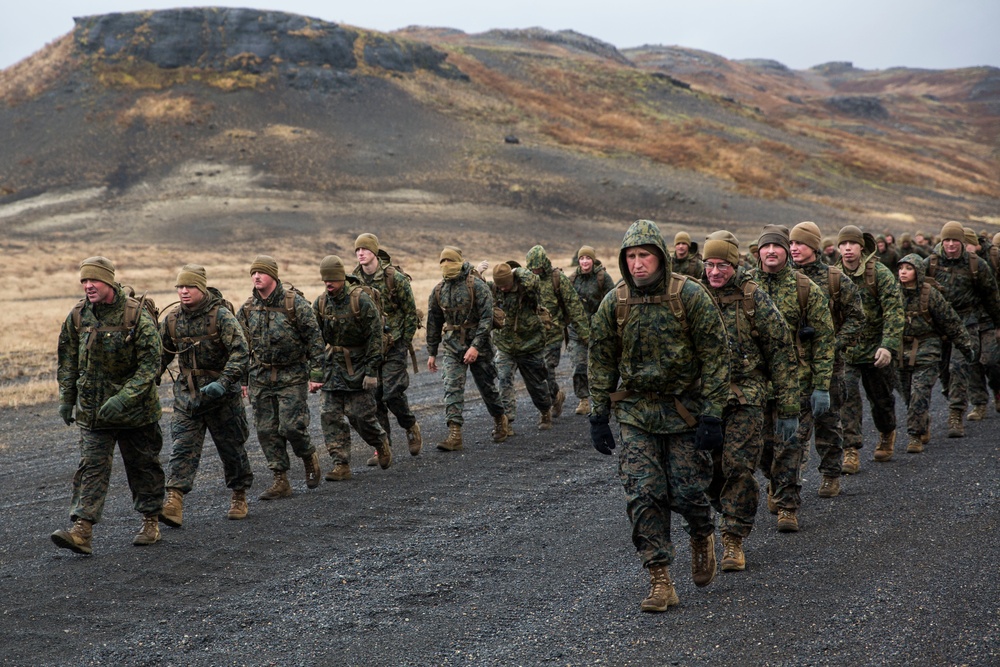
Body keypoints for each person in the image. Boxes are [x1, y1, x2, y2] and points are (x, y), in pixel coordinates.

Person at [589, 219, 729, 613]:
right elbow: (600, 360)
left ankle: (702, 534)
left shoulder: (690, 296)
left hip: (684, 412)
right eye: (630, 257)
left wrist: (713, 416)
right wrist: (598, 414)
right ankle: (660, 579)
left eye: (644, 255)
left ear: (661, 258)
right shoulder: (613, 303)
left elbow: (716, 356)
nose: (637, 264)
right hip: (636, 413)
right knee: (643, 494)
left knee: (687, 493)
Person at [52, 257, 165, 554]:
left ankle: (151, 521)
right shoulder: (78, 316)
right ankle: (82, 530)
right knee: (91, 468)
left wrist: (124, 398)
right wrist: (67, 398)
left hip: (136, 413)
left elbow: (151, 366)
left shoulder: (135, 316)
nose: (88, 286)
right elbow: (67, 360)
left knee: (143, 467)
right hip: (93, 413)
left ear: (109, 282)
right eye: (84, 281)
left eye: (94, 281)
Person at [701, 231, 798, 571]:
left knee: (738, 467)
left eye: (722, 265)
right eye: (710, 265)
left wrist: (788, 409)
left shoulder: (753, 297)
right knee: (707, 471)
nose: (715, 272)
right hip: (704, 401)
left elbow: (782, 353)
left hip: (747, 396)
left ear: (735, 263)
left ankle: (733, 539)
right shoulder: (693, 295)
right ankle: (725, 512)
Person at [751, 225, 834, 532]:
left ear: (786, 251)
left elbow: (825, 338)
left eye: (777, 247)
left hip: (797, 379)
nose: (771, 252)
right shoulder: (745, 285)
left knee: (791, 444)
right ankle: (776, 482)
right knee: (761, 447)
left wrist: (821, 385)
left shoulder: (804, 287)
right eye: (766, 247)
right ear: (758, 251)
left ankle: (788, 506)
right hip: (756, 382)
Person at [159, 264, 252, 527]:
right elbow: (160, 355)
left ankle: (239, 495)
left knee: (232, 449)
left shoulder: (221, 316)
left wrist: (224, 382)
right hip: (188, 397)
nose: (184, 291)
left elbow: (241, 352)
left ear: (201, 288)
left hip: (223, 398)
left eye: (189, 286)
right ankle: (173, 501)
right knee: (182, 449)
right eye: (180, 287)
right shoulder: (172, 320)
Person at [238, 255, 326, 500]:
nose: (256, 277)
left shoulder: (294, 304)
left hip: (292, 374)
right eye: (253, 273)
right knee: (266, 430)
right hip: (260, 376)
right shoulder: (247, 309)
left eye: (261, 273)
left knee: (290, 427)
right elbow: (241, 347)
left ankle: (308, 456)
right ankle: (280, 479)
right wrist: (243, 379)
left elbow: (315, 340)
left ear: (273, 276)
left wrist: (317, 373)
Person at [789, 221, 864, 499]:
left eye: (800, 243)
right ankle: (787, 483)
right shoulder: (783, 277)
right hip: (794, 365)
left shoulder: (834, 279)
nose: (794, 248)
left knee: (829, 421)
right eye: (792, 243)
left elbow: (857, 317)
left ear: (814, 246)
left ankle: (831, 474)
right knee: (793, 426)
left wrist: (835, 344)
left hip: (828, 364)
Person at [313, 255, 392, 480]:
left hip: (358, 366)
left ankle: (381, 442)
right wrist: (316, 372)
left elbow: (375, 336)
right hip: (332, 369)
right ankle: (341, 464)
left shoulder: (360, 300)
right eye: (324, 279)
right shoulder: (320, 303)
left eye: (332, 279)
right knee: (329, 415)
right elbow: (314, 339)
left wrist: (371, 371)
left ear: (341, 278)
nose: (328, 283)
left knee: (361, 416)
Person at [426, 246, 509, 450]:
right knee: (451, 386)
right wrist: (431, 352)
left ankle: (500, 418)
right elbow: (433, 322)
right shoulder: (439, 290)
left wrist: (476, 346)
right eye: (442, 262)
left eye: (450, 262)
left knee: (487, 388)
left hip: (479, 347)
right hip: (453, 346)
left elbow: (487, 318)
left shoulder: (477, 286)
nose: (446, 266)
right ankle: (455, 434)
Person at [923, 221, 1000, 437]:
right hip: (938, 325)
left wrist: (997, 324)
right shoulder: (931, 263)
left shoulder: (977, 265)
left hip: (968, 323)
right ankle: (956, 397)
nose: (950, 244)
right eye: (946, 240)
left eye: (954, 240)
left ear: (962, 242)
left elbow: (992, 297)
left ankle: (957, 414)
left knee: (961, 366)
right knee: (943, 372)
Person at [836, 226, 904, 470]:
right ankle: (850, 449)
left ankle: (887, 432)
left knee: (881, 399)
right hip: (847, 351)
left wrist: (888, 346)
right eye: (843, 245)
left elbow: (894, 312)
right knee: (846, 397)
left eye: (851, 244)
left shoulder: (880, 274)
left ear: (860, 247)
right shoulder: (833, 275)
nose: (847, 249)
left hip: (876, 350)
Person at [352, 233, 423, 460]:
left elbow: (410, 312)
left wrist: (404, 341)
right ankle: (384, 445)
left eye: (364, 249)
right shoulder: (354, 280)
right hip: (370, 348)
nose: (360, 253)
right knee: (374, 396)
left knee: (392, 392)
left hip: (394, 345)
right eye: (357, 250)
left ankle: (410, 425)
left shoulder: (395, 278)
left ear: (374, 251)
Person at [896, 255, 973, 452]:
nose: (903, 272)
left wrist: (965, 346)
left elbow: (951, 322)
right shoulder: (892, 293)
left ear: (918, 272)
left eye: (908, 268)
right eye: (901, 268)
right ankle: (923, 422)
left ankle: (914, 436)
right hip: (900, 349)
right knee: (907, 395)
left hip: (927, 347)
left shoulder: (930, 294)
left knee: (919, 392)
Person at [525, 245, 591, 420]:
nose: (535, 271)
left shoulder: (557, 279)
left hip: (553, 334)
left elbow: (574, 307)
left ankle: (546, 410)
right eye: (532, 268)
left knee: (547, 369)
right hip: (533, 336)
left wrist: (585, 334)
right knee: (537, 374)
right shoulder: (527, 280)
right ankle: (556, 397)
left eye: (538, 268)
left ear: (544, 264)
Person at [489, 262, 553, 433]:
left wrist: (518, 271)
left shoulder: (527, 290)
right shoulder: (494, 290)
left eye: (506, 284)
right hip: (505, 346)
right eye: (499, 285)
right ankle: (506, 421)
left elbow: (534, 281)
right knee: (504, 379)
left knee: (536, 385)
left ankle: (546, 410)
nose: (503, 289)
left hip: (530, 344)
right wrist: (477, 271)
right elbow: (476, 287)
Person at [569, 245, 616, 416]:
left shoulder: (603, 277)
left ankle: (607, 397)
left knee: (603, 366)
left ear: (593, 260)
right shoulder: (572, 279)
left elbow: (613, 300)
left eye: (588, 258)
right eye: (582, 258)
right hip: (576, 332)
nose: (585, 261)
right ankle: (583, 400)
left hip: (599, 331)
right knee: (579, 367)